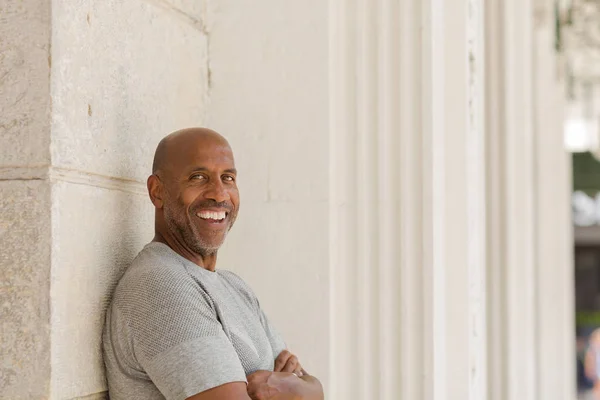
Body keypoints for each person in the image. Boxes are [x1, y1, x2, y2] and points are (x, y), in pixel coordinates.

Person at [103, 128, 323, 400]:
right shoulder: (159, 285)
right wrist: (300, 391)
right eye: (198, 177)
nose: (219, 194)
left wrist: (302, 390)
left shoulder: (234, 286)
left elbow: (307, 385)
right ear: (157, 191)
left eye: (228, 178)